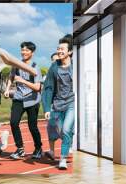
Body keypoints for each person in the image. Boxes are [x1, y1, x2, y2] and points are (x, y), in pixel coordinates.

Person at [4, 42, 43, 160]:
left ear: (32, 52)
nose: (24, 52)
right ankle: (20, 148)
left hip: (32, 100)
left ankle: (38, 148)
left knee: (32, 126)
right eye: (22, 50)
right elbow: (11, 77)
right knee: (13, 122)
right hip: (18, 98)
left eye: (26, 50)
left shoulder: (35, 67)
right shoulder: (16, 65)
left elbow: (38, 87)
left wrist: (23, 81)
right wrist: (7, 89)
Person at [42, 34, 75, 170]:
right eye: (58, 48)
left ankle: (62, 159)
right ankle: (62, 148)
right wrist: (47, 109)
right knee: (60, 131)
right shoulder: (54, 67)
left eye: (62, 49)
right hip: (57, 104)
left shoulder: (75, 66)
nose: (59, 51)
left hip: (71, 104)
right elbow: (48, 88)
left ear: (70, 52)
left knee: (66, 130)